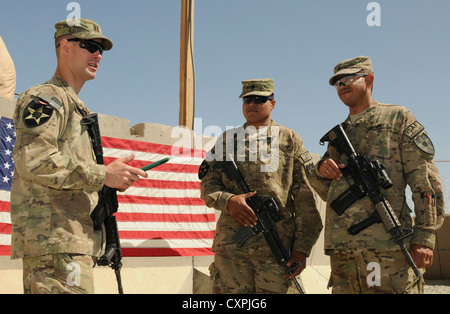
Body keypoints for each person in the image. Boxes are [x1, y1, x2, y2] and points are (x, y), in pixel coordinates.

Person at [10, 18, 148, 294]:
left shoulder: (76, 107)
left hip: (71, 242)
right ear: (65, 47)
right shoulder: (45, 98)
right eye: (89, 45)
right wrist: (103, 174)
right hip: (54, 243)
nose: (97, 54)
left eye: (101, 49)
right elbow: (34, 160)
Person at [308, 56, 445, 294]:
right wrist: (321, 170)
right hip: (343, 249)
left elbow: (425, 182)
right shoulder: (340, 135)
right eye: (337, 83)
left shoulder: (397, 118)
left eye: (349, 78)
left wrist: (424, 236)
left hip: (388, 247)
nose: (342, 86)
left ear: (369, 79)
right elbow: (325, 191)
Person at [199, 78, 322, 294]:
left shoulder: (289, 139)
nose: (252, 104)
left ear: (273, 103)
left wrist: (301, 250)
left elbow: (305, 200)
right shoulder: (226, 140)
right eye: (247, 99)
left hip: (276, 247)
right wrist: (228, 201)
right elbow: (208, 185)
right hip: (232, 250)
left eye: (259, 99)